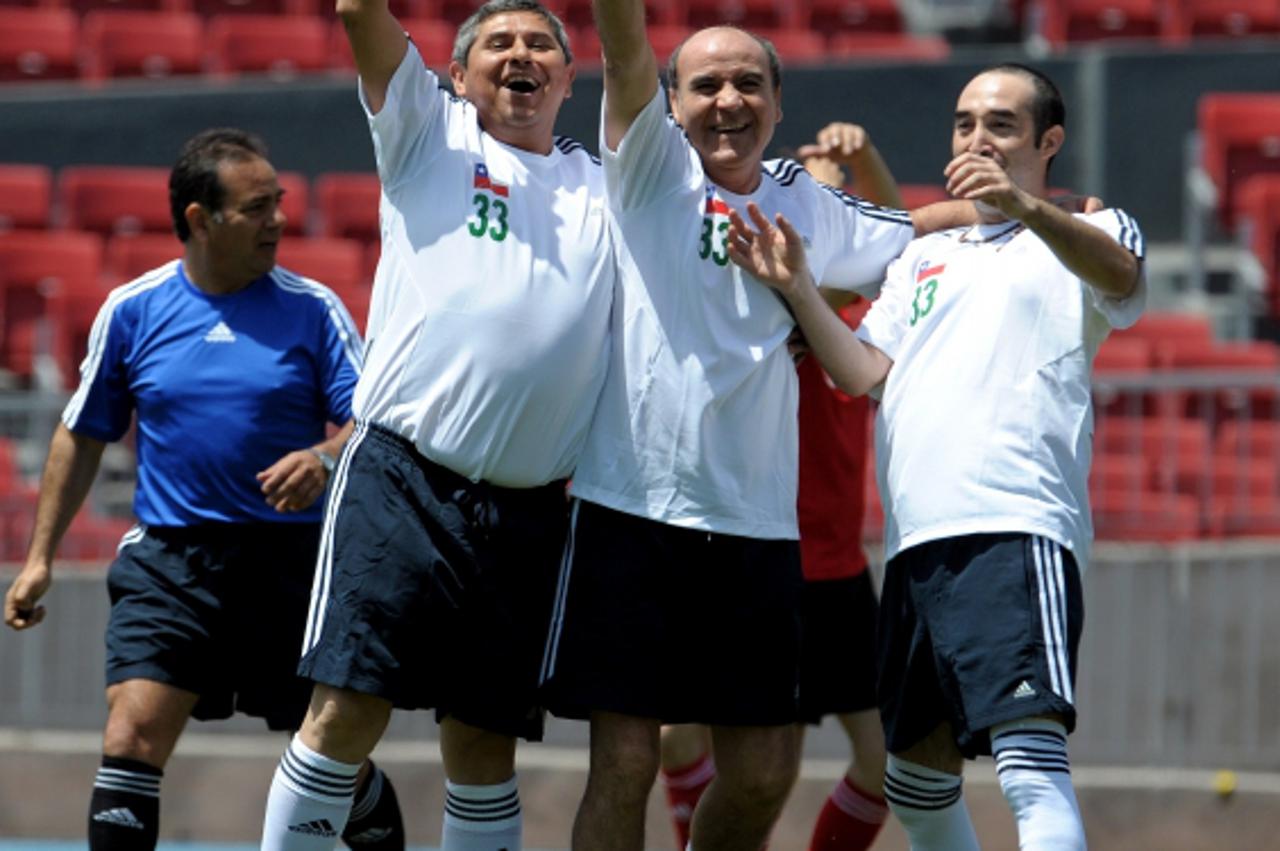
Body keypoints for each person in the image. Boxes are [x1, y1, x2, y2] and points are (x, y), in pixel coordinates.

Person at [536, 2, 977, 847]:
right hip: (628, 515)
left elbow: (913, 229)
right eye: (705, 85)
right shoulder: (649, 171)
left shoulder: (808, 206)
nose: (728, 100)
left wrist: (1030, 211)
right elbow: (626, 51)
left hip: (758, 532)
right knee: (624, 765)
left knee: (766, 772)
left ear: (778, 102)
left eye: (748, 83)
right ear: (669, 106)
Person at [724, 63, 1145, 851]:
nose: (976, 138)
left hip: (1013, 527)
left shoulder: (1092, 229)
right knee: (915, 787)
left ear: (1048, 141)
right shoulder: (924, 255)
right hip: (917, 545)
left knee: (1029, 765)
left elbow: (1121, 275)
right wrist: (801, 290)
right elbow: (867, 375)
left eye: (1000, 125)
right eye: (963, 124)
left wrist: (1021, 203)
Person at [256, 1, 614, 849]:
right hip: (402, 479)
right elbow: (355, 11)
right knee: (347, 709)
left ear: (570, 77)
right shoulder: (430, 135)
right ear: (455, 76)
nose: (520, 55)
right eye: (498, 43)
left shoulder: (608, 188)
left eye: (540, 45)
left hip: (532, 508)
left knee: (484, 740)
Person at [1, 128, 403, 851]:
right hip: (171, 564)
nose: (278, 220)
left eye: (278, 203)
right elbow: (80, 432)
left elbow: (371, 418)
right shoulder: (133, 309)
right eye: (256, 207)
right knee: (131, 732)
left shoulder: (312, 309)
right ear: (198, 218)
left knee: (332, 753)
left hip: (290, 567)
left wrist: (322, 453)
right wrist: (39, 560)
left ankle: (375, 821)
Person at [657, 125, 899, 851]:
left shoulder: (855, 314)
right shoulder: (742, 297)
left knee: (883, 763)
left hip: (835, 568)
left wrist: (868, 158)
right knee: (715, 750)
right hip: (749, 547)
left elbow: (907, 244)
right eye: (812, 195)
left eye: (837, 198)